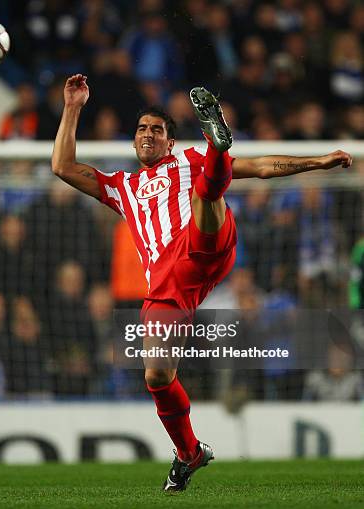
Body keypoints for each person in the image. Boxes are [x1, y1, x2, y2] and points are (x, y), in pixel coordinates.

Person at [51, 74, 352, 491]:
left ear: (170, 142)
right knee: (156, 375)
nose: (149, 134)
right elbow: (62, 167)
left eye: (158, 129)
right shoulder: (121, 188)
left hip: (207, 245)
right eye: (142, 129)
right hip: (169, 287)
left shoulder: (185, 161)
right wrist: (72, 107)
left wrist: (316, 162)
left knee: (207, 193)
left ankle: (218, 144)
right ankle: (189, 453)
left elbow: (264, 167)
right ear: (135, 142)